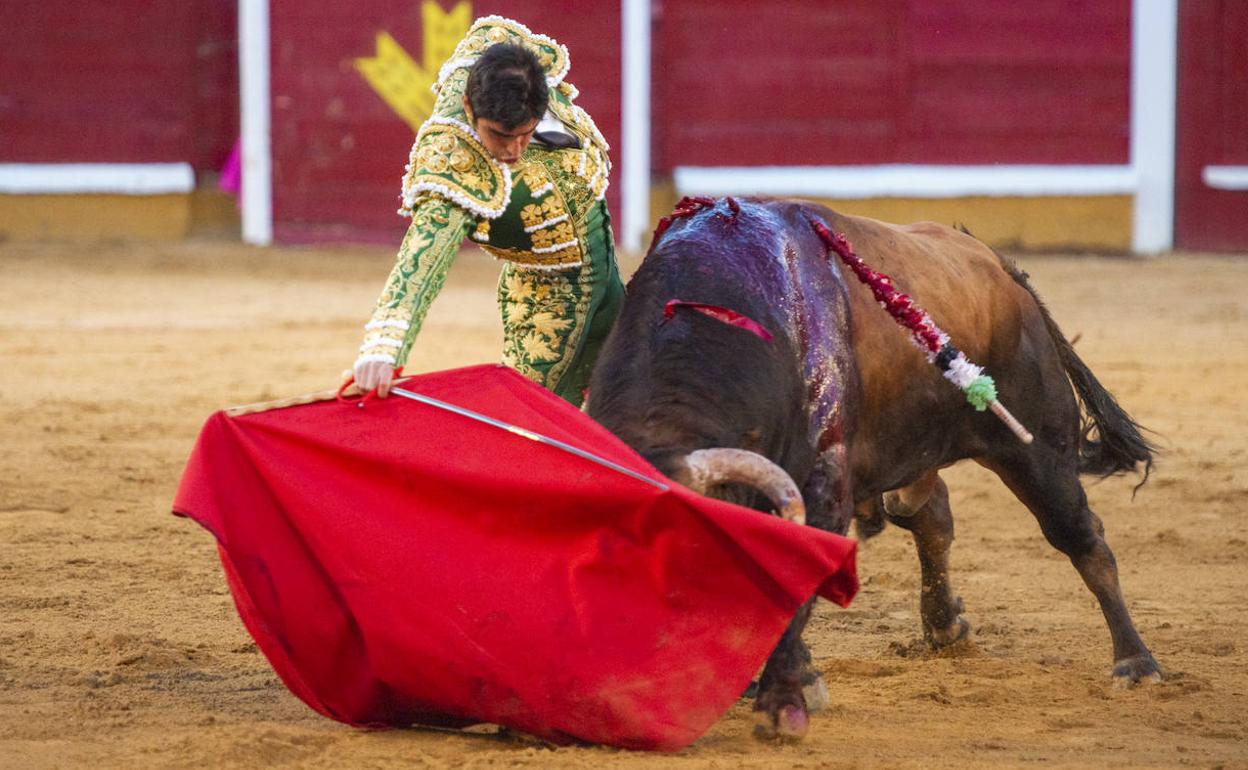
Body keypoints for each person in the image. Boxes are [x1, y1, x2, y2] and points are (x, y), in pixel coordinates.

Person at [352, 16, 624, 407]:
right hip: (547, 299)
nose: (512, 150)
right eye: (498, 135)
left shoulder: (501, 51)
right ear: (468, 105)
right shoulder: (452, 159)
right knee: (533, 419)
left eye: (525, 134)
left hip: (605, 268)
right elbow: (423, 256)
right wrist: (382, 348)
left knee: (625, 398)